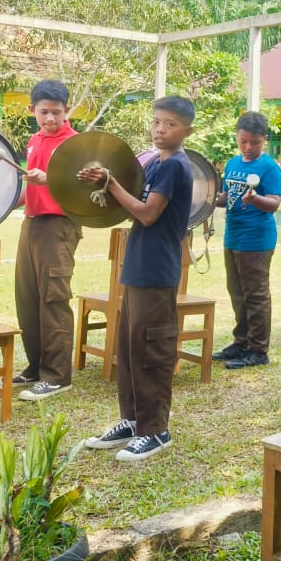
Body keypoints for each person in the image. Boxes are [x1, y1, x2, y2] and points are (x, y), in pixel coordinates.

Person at [81, 96, 196, 462]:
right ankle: (131, 420)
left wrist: (112, 183)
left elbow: (147, 214)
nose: (161, 129)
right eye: (157, 122)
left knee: (152, 350)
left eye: (170, 124)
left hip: (157, 271)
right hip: (138, 266)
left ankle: (156, 429)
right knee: (129, 350)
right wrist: (106, 182)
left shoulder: (175, 167)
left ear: (187, 131)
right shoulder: (156, 164)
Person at [14, 79, 82, 401]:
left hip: (58, 227)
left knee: (53, 299)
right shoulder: (34, 139)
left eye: (57, 112)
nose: (50, 119)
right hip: (32, 224)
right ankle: (37, 366)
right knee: (27, 298)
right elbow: (31, 185)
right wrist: (2, 201)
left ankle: (57, 376)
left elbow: (82, 190)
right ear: (33, 111)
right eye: (44, 112)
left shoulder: (78, 145)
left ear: (67, 110)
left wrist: (49, 178)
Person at [212, 112, 281, 370]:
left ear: (264, 139)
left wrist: (255, 200)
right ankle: (241, 341)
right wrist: (207, 197)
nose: (248, 147)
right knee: (237, 293)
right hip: (233, 236)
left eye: (254, 142)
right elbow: (226, 197)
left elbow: (274, 203)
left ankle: (258, 349)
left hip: (257, 239)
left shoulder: (269, 167)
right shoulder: (232, 164)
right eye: (243, 141)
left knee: (256, 295)